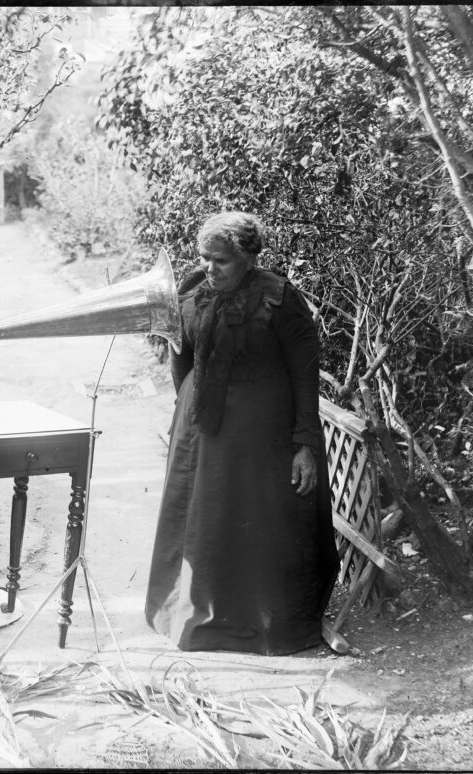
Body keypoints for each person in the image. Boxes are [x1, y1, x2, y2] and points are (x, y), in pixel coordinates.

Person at [145, 211, 338, 655]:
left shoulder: (280, 299)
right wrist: (188, 413)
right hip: (201, 429)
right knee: (204, 519)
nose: (210, 268)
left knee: (252, 519)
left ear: (249, 258)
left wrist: (304, 445)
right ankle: (193, 613)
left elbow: (304, 377)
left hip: (259, 434)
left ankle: (258, 624)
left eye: (221, 261)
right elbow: (181, 354)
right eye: (204, 258)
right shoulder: (192, 289)